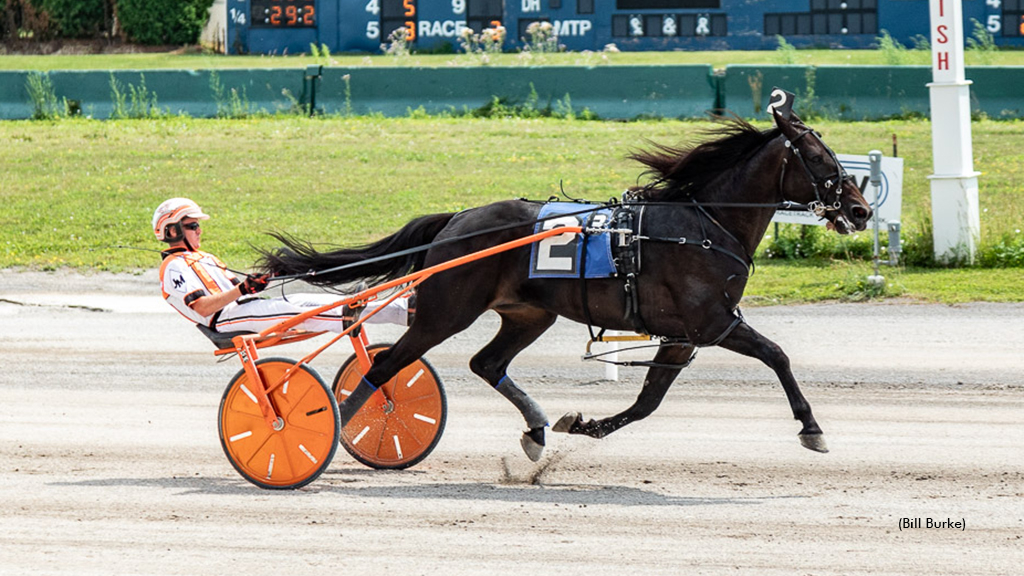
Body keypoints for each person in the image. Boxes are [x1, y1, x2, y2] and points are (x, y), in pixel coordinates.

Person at [153, 197, 409, 336]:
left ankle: (401, 310)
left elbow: (238, 288)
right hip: (226, 320)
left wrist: (264, 279)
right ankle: (344, 317)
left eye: (198, 224)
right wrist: (242, 290)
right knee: (297, 311)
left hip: (246, 307)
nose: (199, 229)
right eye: (192, 225)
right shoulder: (173, 267)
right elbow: (202, 306)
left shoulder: (205, 258)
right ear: (172, 230)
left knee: (319, 301)